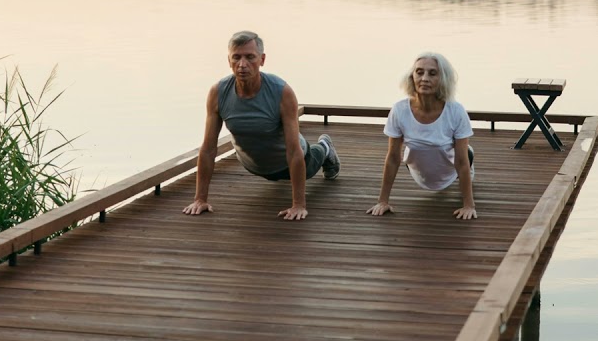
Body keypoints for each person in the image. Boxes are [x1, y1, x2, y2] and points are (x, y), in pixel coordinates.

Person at [182, 30, 341, 221]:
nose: (242, 65)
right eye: (236, 57)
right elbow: (208, 149)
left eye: (250, 57)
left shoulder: (281, 91)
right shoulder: (218, 92)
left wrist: (298, 205)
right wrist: (200, 199)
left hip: (290, 160)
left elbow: (293, 151)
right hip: (253, 164)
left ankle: (325, 148)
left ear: (262, 59)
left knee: (306, 165)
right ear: (229, 61)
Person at [366, 52, 477, 220]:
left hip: (452, 169)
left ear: (443, 79)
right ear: (412, 77)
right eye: (419, 72)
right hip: (417, 168)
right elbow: (393, 158)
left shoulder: (456, 111)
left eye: (432, 73)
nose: (424, 78)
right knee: (415, 150)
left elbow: (461, 162)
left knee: (464, 154)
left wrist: (468, 205)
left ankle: (470, 157)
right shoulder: (399, 110)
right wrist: (383, 201)